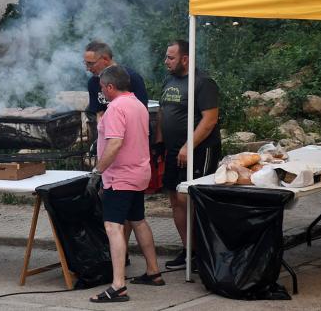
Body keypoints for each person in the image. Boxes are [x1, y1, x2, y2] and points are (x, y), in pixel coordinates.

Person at [89, 65, 162, 304]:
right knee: (138, 220)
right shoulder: (138, 104)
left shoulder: (116, 108)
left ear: (110, 87)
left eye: (102, 87)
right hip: (139, 172)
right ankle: (153, 271)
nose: (101, 92)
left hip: (120, 177)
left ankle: (118, 285)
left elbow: (115, 144)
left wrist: (98, 171)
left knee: (113, 227)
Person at [157, 39, 220, 269]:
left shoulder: (203, 83)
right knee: (175, 199)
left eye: (170, 57)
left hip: (199, 150)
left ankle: (205, 250)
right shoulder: (169, 80)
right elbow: (164, 112)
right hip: (173, 150)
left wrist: (188, 146)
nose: (166, 62)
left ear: (185, 59)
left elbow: (210, 119)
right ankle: (189, 251)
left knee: (190, 198)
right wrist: (159, 143)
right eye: (166, 57)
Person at [84, 40, 149, 120]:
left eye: (91, 63)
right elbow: (100, 114)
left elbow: (142, 111)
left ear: (105, 59)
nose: (87, 68)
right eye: (86, 63)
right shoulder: (93, 82)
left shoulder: (132, 77)